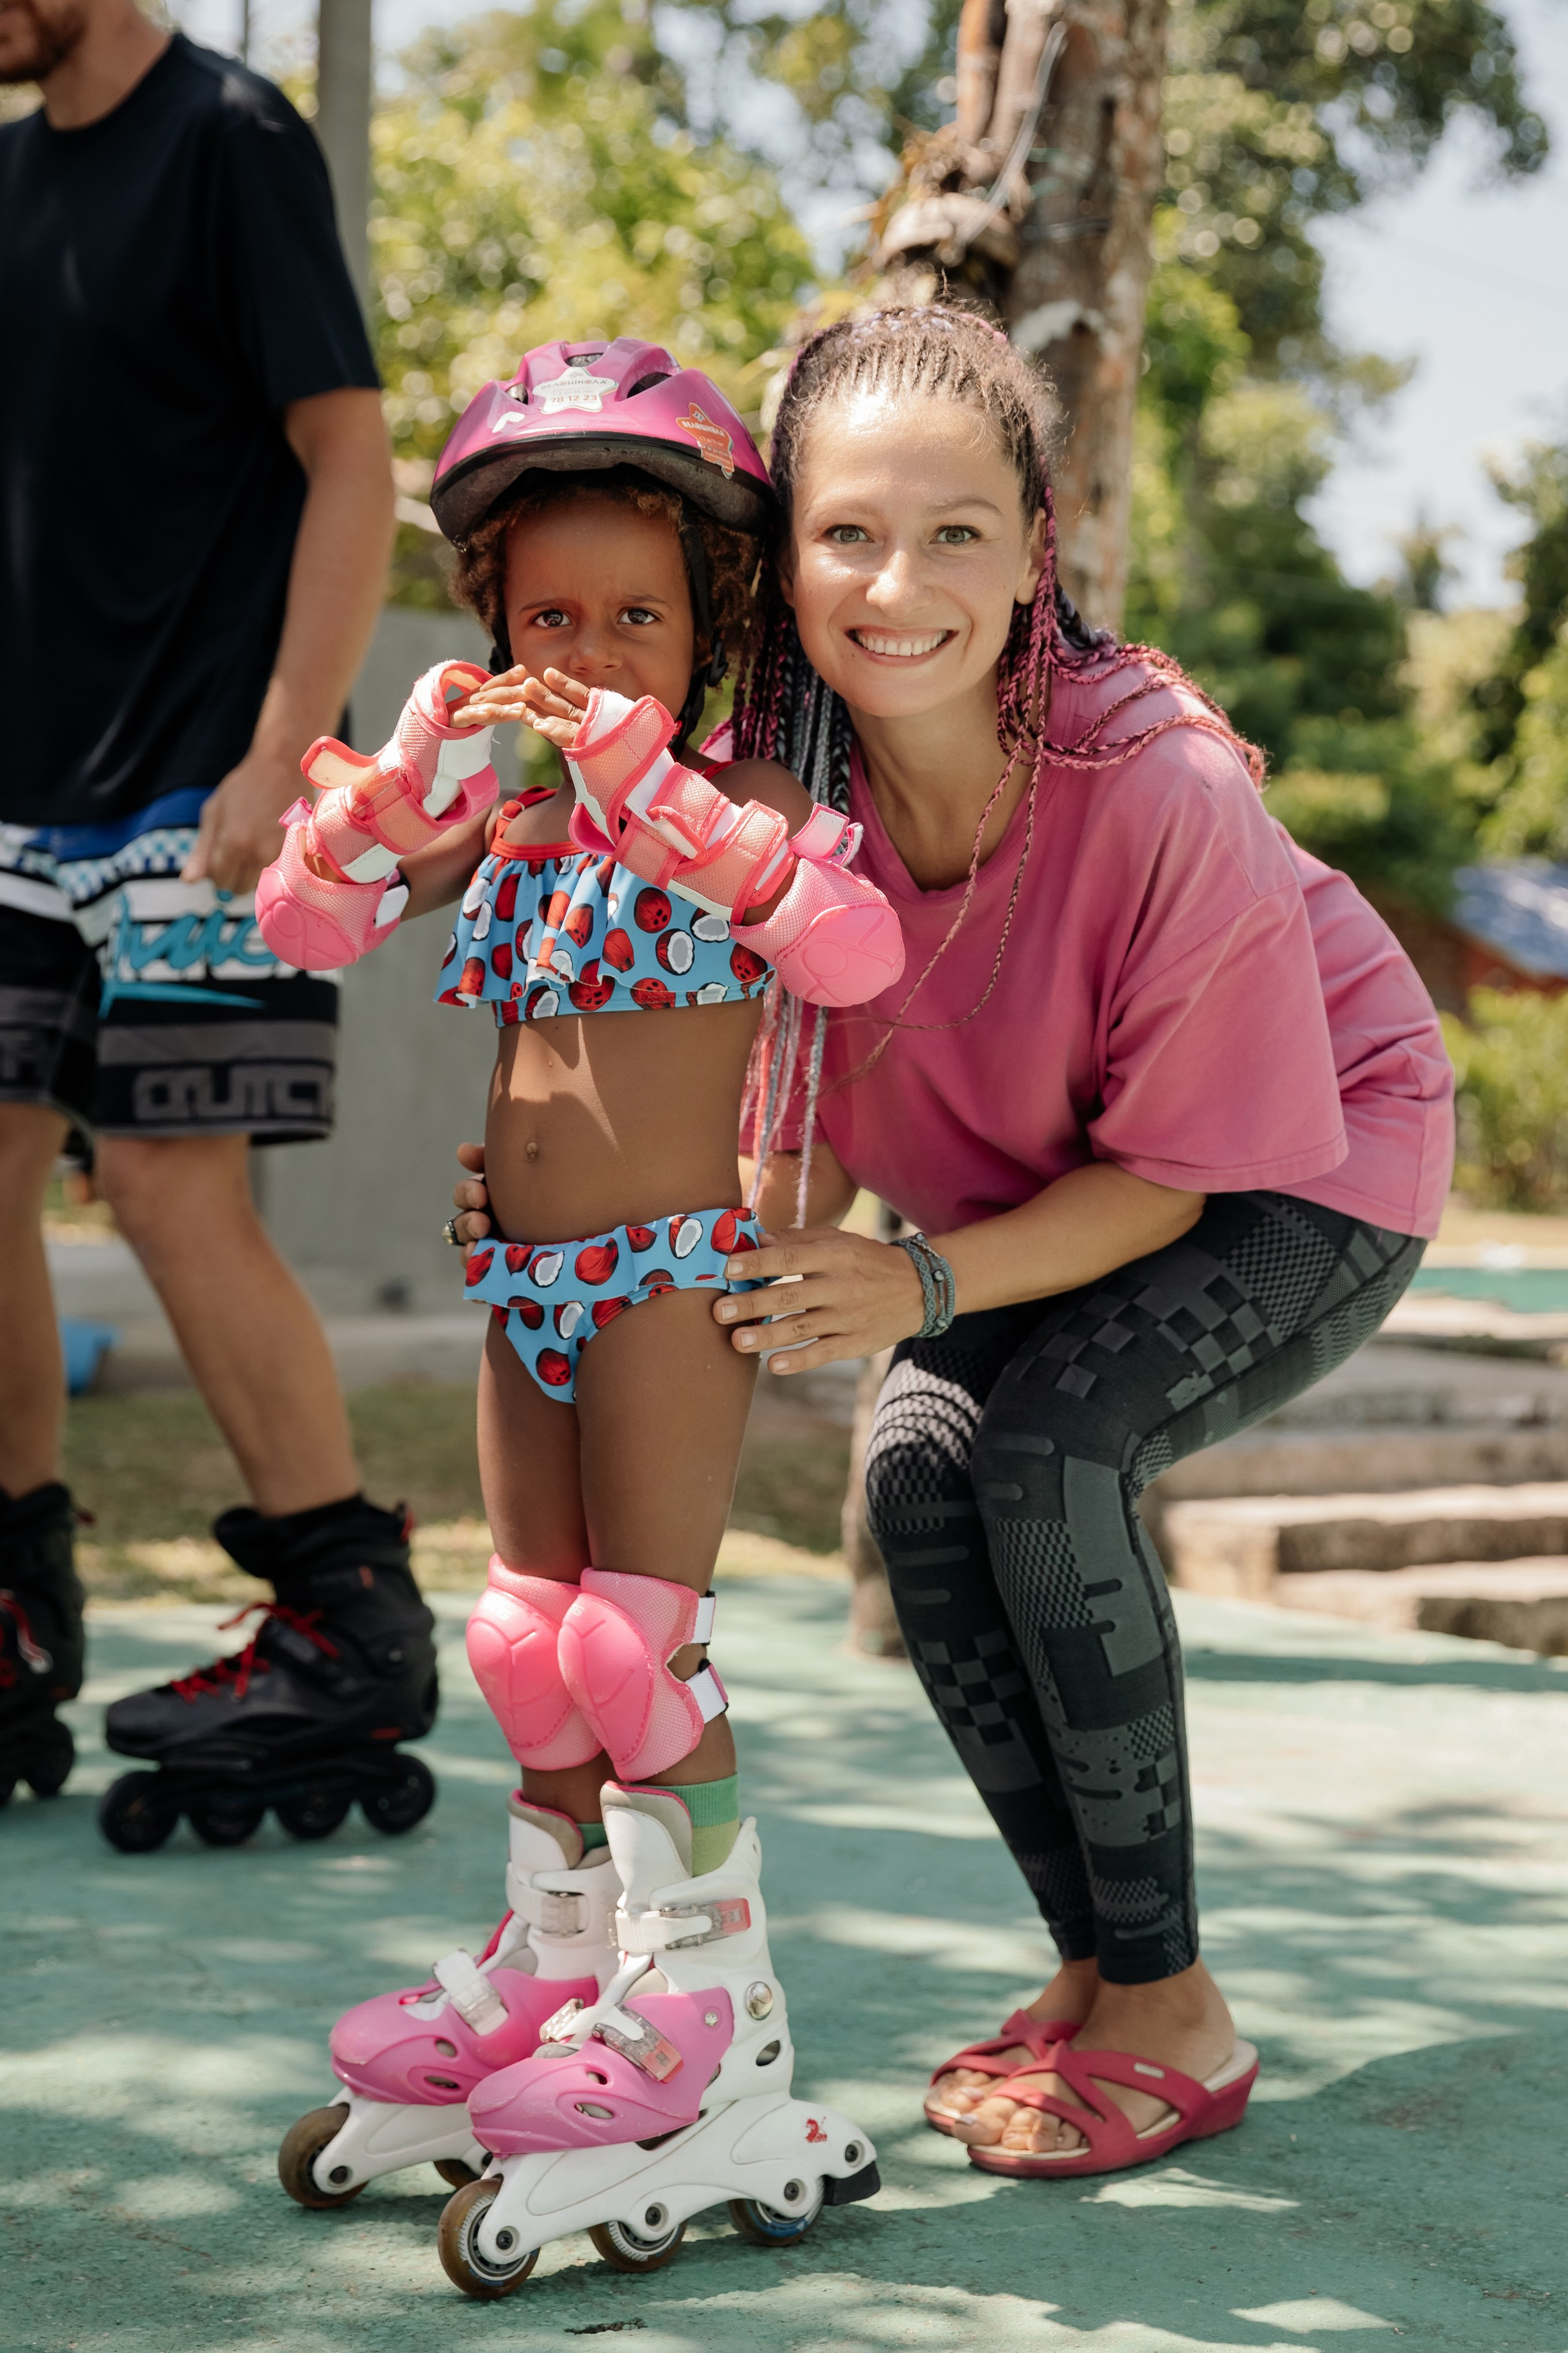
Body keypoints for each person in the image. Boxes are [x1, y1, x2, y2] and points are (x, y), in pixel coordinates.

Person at [453, 304, 1455, 2183]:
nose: (896, 582)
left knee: (1051, 1447)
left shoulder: (1161, 790)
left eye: (956, 533)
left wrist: (915, 1281)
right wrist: (559, 1210)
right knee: (920, 1468)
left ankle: (1178, 2001)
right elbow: (754, 1121)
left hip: (1301, 1167)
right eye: (847, 534)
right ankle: (1096, 1961)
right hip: (1034, 1188)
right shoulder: (757, 787)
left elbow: (1174, 1184)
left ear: (1035, 550)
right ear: (788, 553)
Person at [265, 341, 895, 2237]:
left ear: (707, 622)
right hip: (526, 1287)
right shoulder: (519, 823)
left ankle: (699, 2001)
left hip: (669, 1281)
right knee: (530, 1642)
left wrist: (671, 801)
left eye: (640, 613)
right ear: (501, 621)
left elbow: (848, 948)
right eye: (557, 614)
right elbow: (304, 921)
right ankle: (555, 1973)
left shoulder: (738, 796)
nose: (600, 648)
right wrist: (404, 780)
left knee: (636, 1644)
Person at [0, 0, 435, 1838]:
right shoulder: (12, 177)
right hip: (19, 798)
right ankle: (17, 1604)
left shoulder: (232, 139)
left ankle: (347, 1617)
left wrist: (286, 751)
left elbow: (351, 452)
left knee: (173, 1183)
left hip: (197, 792)